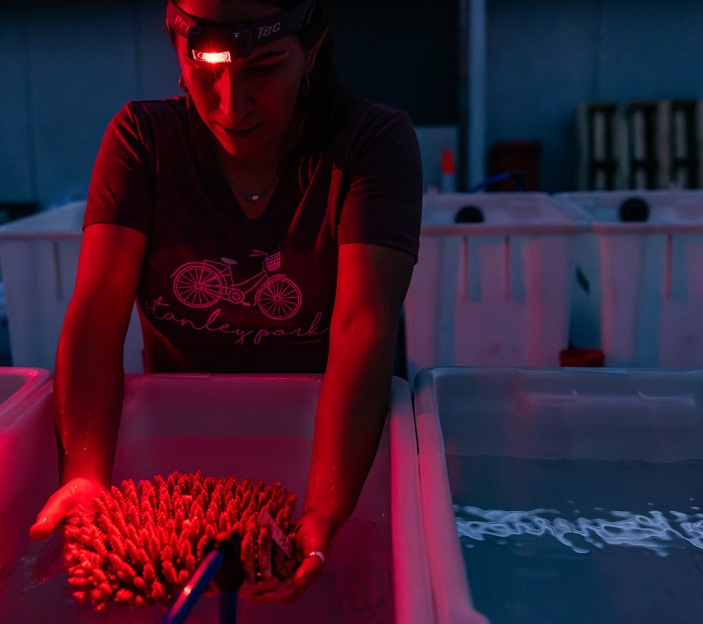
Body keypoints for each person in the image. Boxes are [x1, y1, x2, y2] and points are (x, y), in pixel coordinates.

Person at [27, 0, 422, 601]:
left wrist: (324, 509)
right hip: (184, 458)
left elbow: (362, 327)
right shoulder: (142, 140)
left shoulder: (371, 143)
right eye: (205, 67)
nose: (231, 105)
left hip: (336, 453)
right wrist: (84, 474)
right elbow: (96, 314)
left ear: (312, 50)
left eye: (264, 68)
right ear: (175, 44)